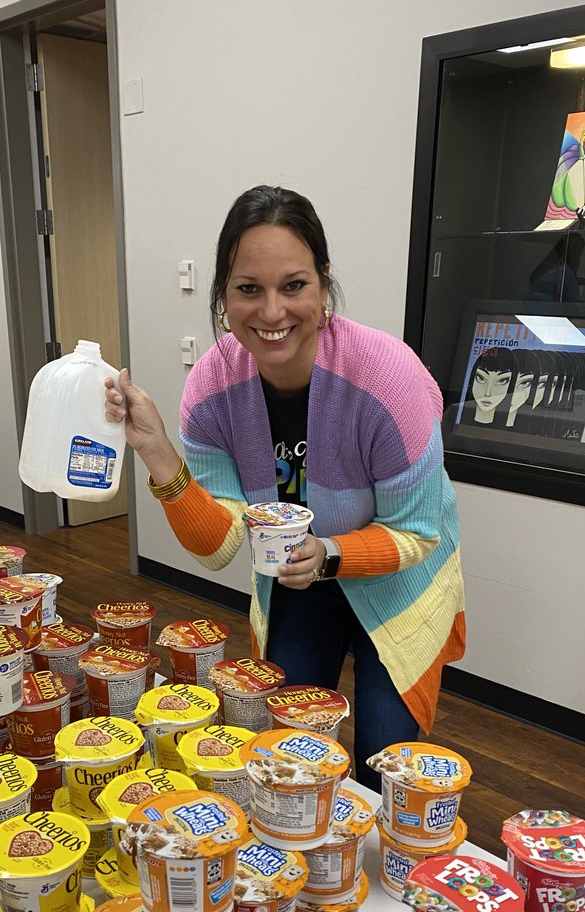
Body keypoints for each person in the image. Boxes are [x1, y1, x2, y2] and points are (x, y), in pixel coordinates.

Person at [104, 185, 465, 790]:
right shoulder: (213, 388)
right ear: (224, 296)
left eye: (293, 286)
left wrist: (334, 554)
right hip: (299, 578)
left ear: (324, 287)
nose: (272, 312)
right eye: (249, 289)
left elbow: (420, 531)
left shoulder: (387, 378)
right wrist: (157, 452)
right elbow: (218, 543)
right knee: (287, 750)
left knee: (385, 760)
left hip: (400, 580)